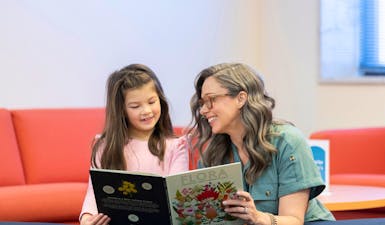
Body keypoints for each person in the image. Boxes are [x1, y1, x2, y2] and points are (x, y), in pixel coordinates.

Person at [187, 63, 335, 225]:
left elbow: (294, 220)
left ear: (240, 98)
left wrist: (257, 217)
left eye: (211, 99)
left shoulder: (287, 141)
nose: (202, 111)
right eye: (202, 103)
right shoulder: (214, 153)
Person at [80, 64, 189, 225]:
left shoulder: (177, 146)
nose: (146, 111)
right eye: (135, 106)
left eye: (152, 102)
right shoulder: (105, 145)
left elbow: (178, 196)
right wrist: (87, 218)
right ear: (121, 110)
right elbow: (94, 192)